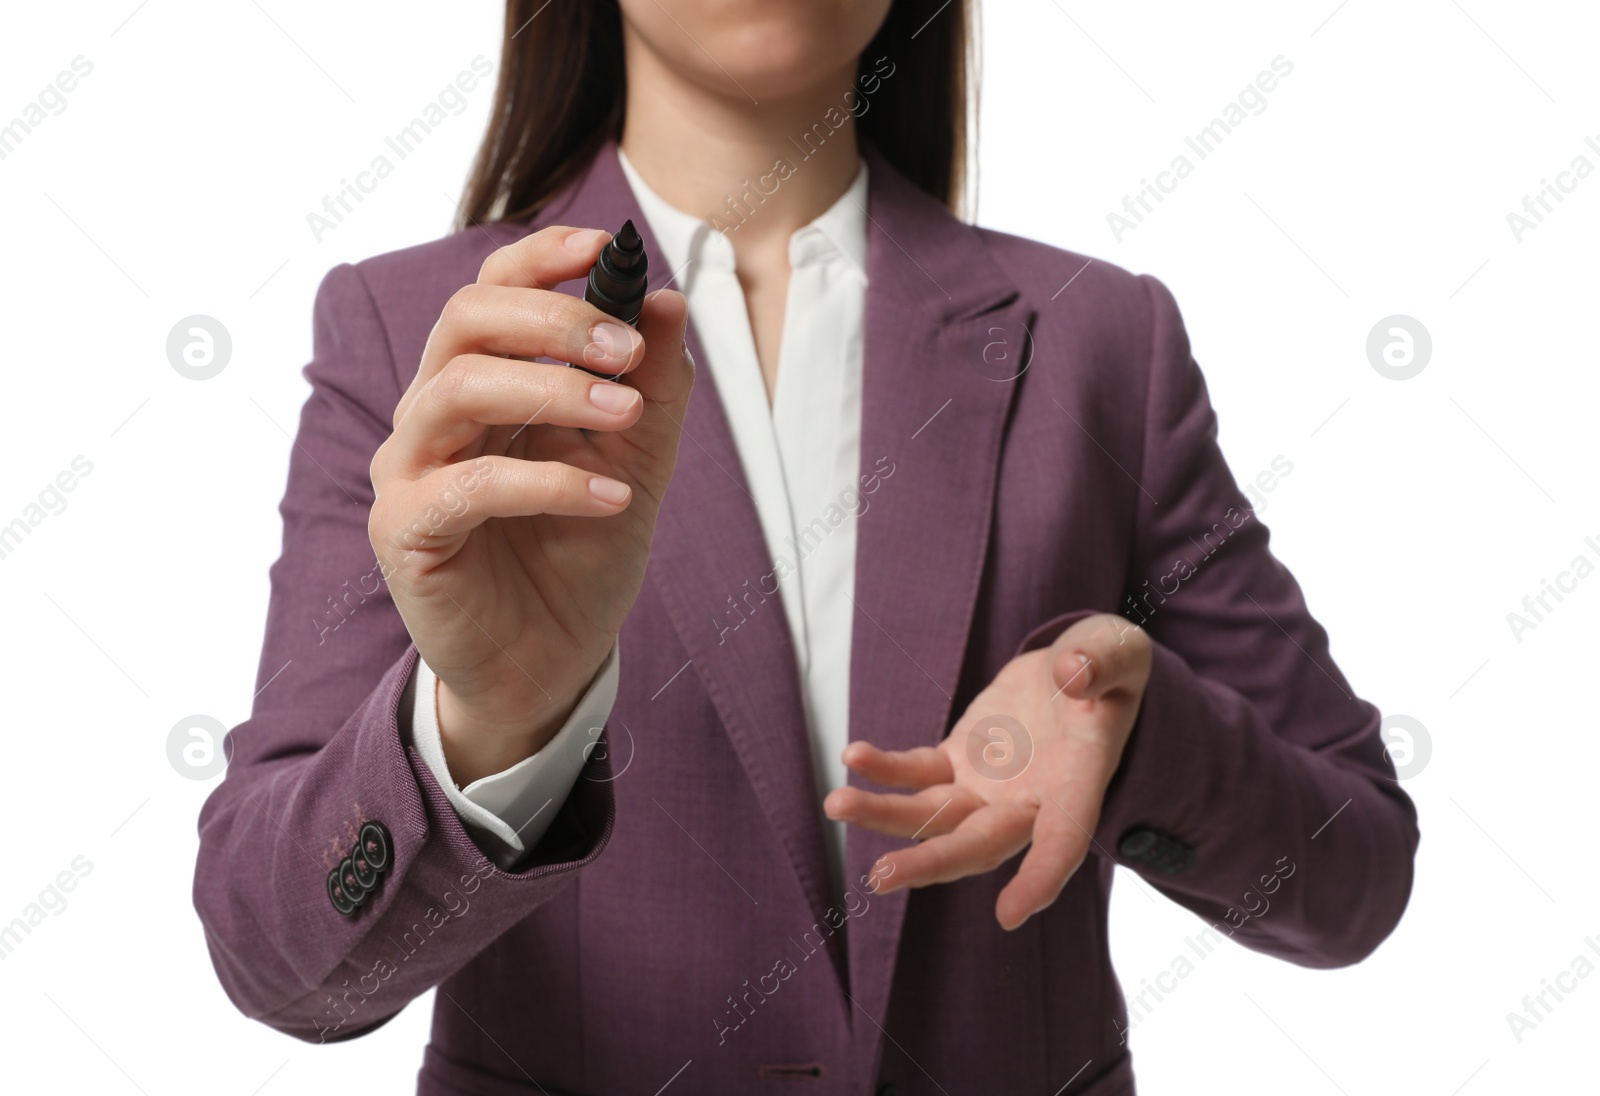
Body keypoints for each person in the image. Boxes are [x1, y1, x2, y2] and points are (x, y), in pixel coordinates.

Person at [193, 2, 1419, 1093]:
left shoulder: (1098, 339)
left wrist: (1139, 728)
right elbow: (284, 967)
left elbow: (1353, 873)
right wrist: (490, 723)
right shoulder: (415, 335)